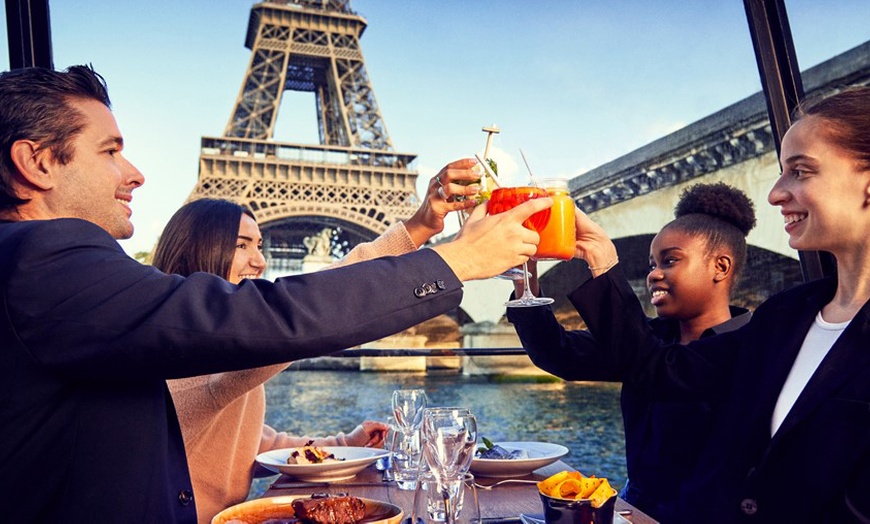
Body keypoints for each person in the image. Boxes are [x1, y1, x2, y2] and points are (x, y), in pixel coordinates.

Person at [0, 64, 551, 523]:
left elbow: (249, 386)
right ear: (38, 162)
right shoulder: (42, 258)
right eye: (110, 151)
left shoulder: (55, 276)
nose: (135, 172)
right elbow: (274, 318)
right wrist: (454, 259)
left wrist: (418, 229)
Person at [563, 87, 870, 522]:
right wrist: (601, 260)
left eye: (801, 172)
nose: (776, 193)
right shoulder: (785, 315)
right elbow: (662, 372)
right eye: (781, 172)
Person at [154, 157, 482, 522]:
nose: (260, 260)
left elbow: (247, 445)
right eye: (242, 245)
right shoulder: (185, 353)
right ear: (197, 250)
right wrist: (420, 230)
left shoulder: (204, 351)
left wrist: (346, 444)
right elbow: (327, 296)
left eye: (260, 245)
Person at [508, 182, 756, 522]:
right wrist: (525, 280)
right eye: (652, 263)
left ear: (721, 267)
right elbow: (559, 353)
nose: (653, 274)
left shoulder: (751, 345)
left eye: (670, 261)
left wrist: (604, 264)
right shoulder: (649, 339)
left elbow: (660, 368)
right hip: (632, 509)